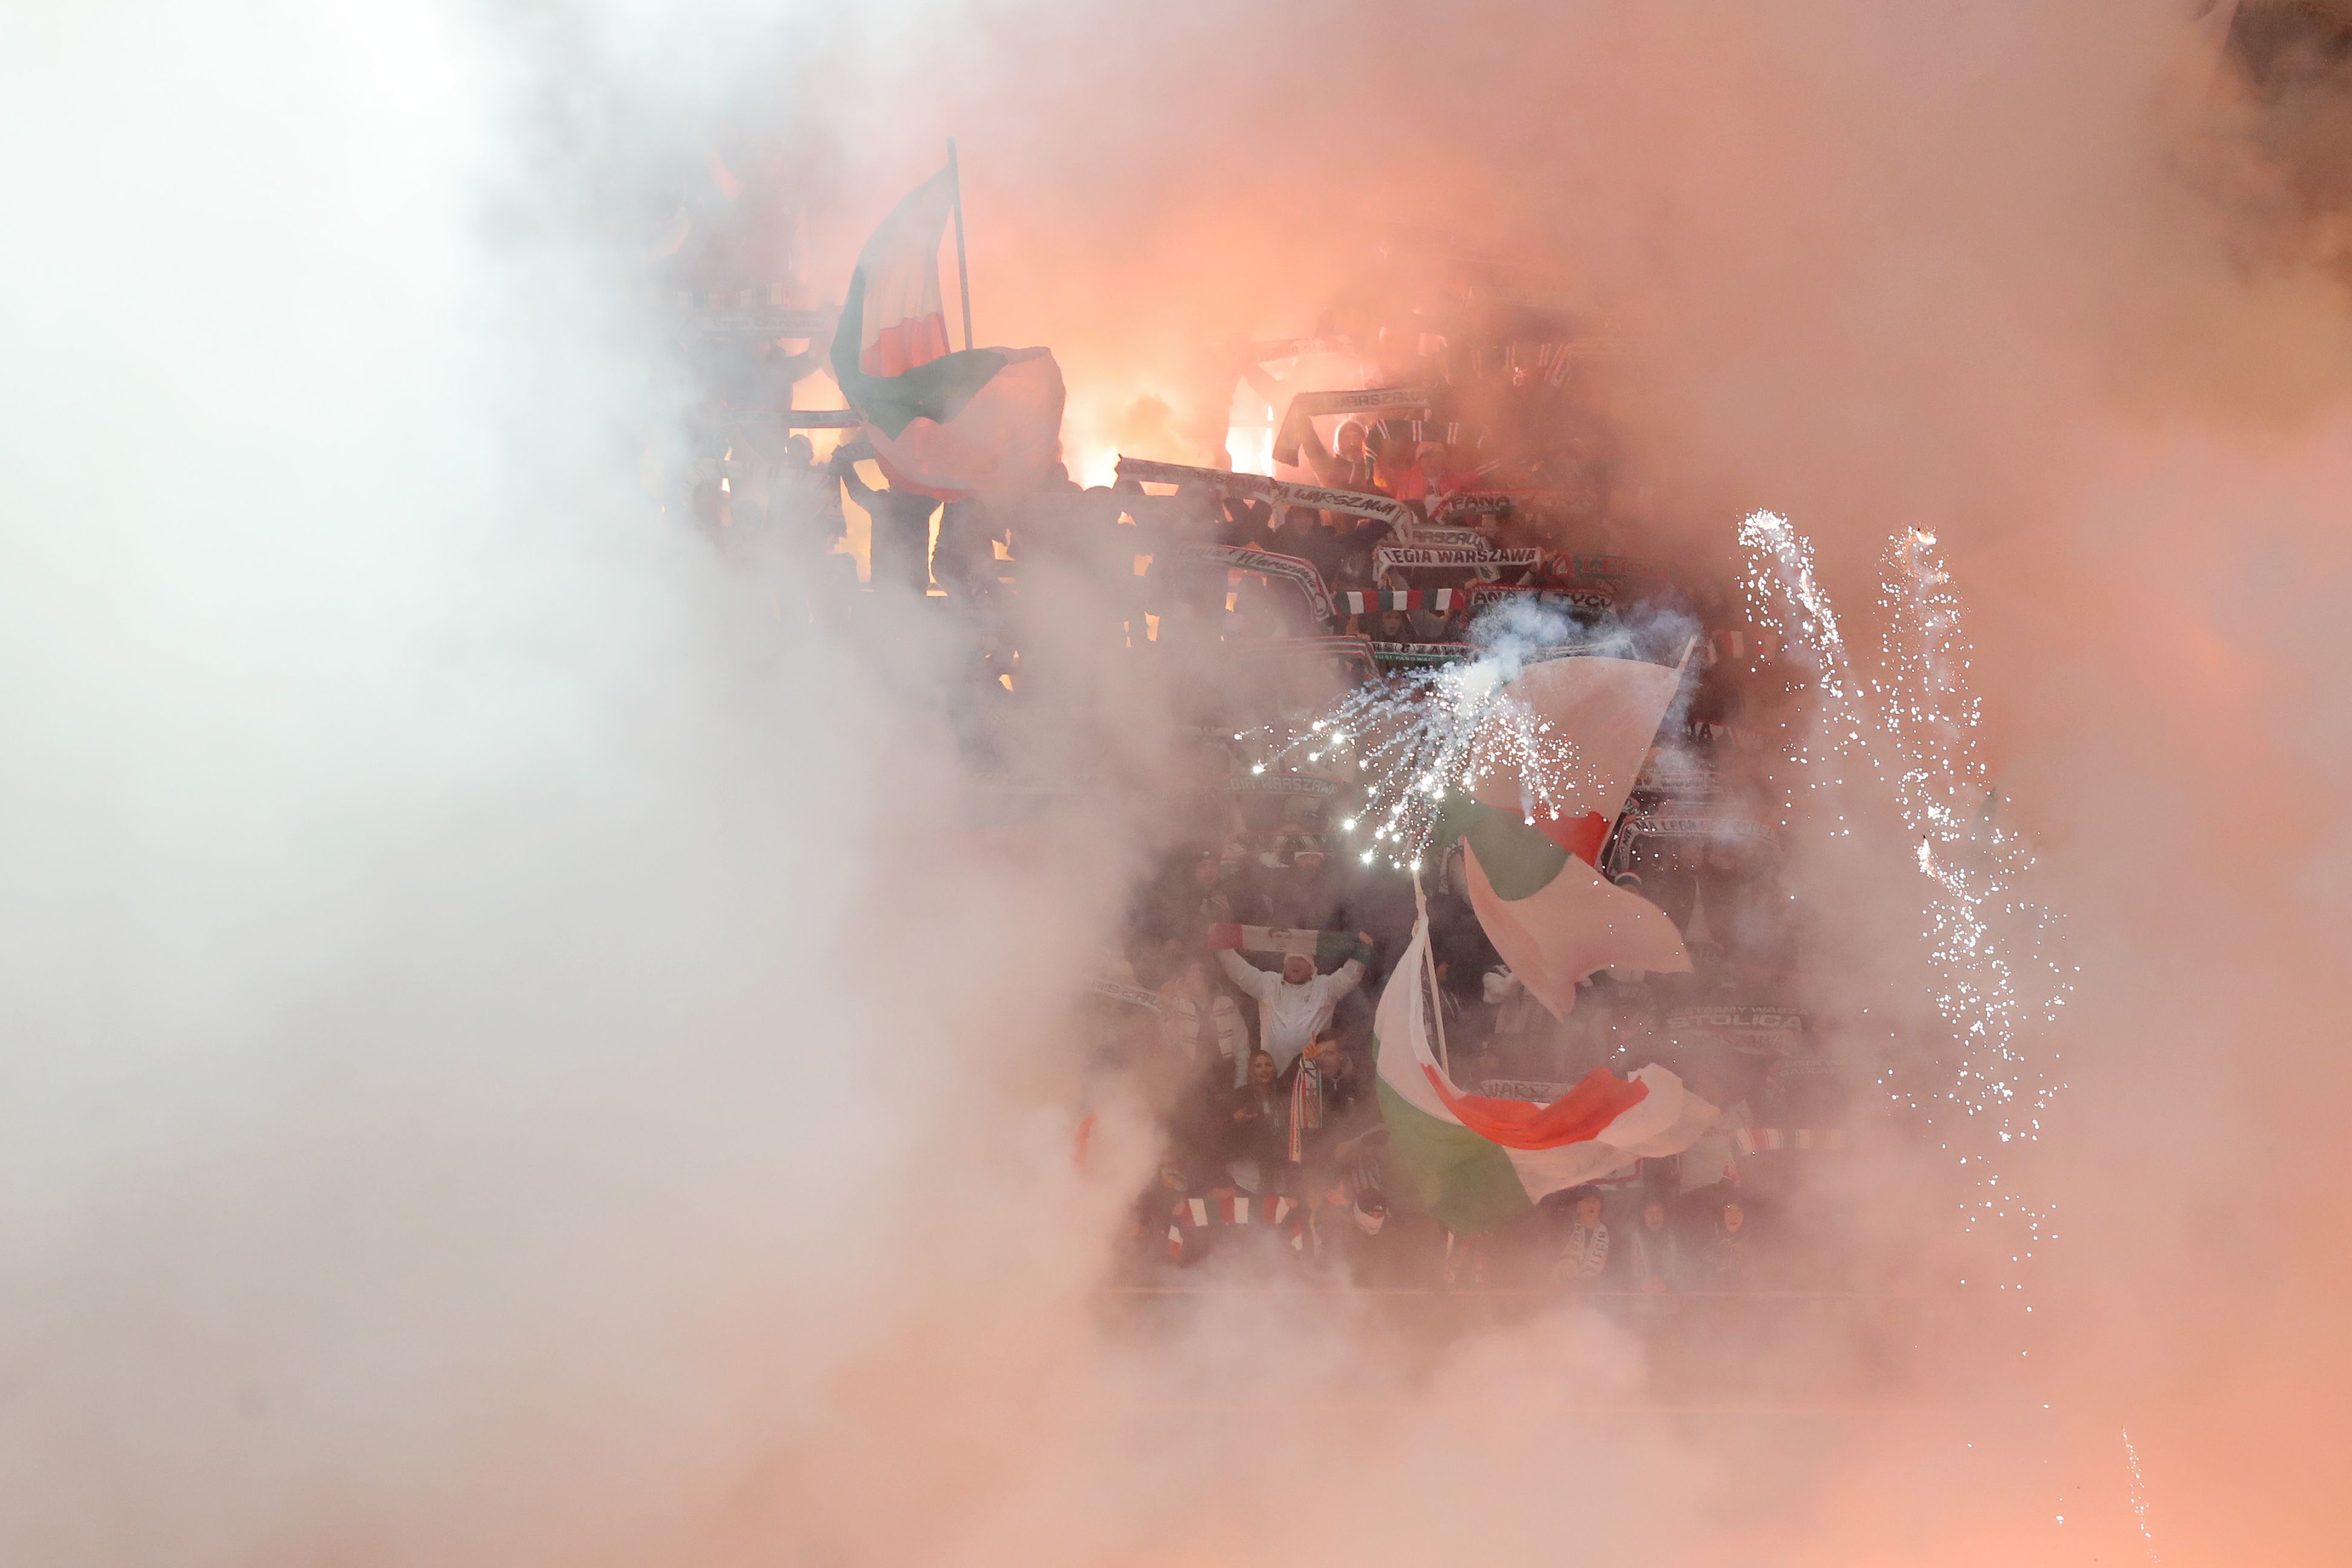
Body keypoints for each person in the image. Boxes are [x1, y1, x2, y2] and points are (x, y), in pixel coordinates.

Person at [1214, 933, 1373, 1074]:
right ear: (1285, 963)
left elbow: (1349, 977)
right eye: (1291, 960)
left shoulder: (1325, 987)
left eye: (1301, 960)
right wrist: (1221, 945)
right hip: (1273, 1075)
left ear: (1312, 968)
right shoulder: (1269, 983)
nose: (1295, 964)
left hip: (1312, 1076)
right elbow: (1239, 972)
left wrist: (1361, 951)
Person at [832, 441, 939, 594]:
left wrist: (843, 463)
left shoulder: (884, 503)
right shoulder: (923, 504)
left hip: (886, 581)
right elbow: (942, 488)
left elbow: (857, 491)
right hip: (913, 582)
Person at [1158, 956, 1248, 1087]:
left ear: (1211, 977)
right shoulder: (1175, 1004)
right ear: (1186, 977)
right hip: (1188, 1078)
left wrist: (1241, 1082)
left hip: (1223, 1077)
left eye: (1204, 971)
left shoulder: (1227, 1005)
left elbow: (1242, 1047)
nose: (1200, 975)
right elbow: (1165, 1039)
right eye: (1194, 971)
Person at [1551, 1186, 1615, 1290]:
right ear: (1578, 1206)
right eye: (1587, 1201)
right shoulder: (1566, 1227)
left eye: (1595, 1201)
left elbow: (1611, 1268)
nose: (1591, 1205)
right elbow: (1552, 1254)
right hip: (1561, 1287)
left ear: (1601, 1207)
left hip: (1593, 1291)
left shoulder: (1609, 1234)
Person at [1625, 1193, 1684, 1294]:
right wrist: (1640, 1285)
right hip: (1639, 1296)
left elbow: (1683, 1267)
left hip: (1669, 1295)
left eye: (1659, 1212)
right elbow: (1625, 1268)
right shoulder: (1632, 1238)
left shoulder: (1675, 1237)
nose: (1655, 1216)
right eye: (1650, 1212)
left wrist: (1667, 1284)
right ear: (1644, 1215)